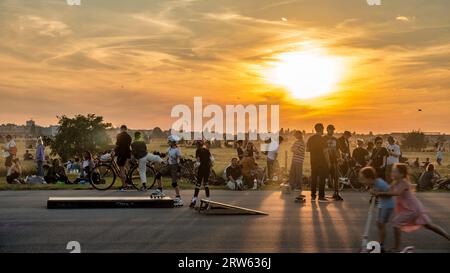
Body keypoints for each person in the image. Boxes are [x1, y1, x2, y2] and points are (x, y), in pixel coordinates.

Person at [373, 163, 449, 252]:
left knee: (396, 223)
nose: (392, 173)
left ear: (401, 174)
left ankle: (396, 248)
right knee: (428, 225)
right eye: (392, 171)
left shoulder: (404, 182)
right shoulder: (396, 181)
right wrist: (377, 190)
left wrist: (381, 193)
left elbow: (397, 193)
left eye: (395, 172)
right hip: (411, 207)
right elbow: (388, 189)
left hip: (412, 208)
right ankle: (448, 236)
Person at [359, 167, 394, 253]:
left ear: (370, 178)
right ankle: (380, 242)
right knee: (379, 223)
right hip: (382, 204)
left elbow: (390, 193)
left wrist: (378, 193)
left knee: (381, 224)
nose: (363, 182)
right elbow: (374, 191)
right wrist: (374, 192)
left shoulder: (380, 183)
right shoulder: (373, 184)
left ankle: (381, 245)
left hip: (388, 205)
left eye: (364, 179)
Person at [307, 123, 329, 202]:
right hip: (322, 161)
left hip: (313, 161)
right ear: (322, 129)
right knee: (322, 179)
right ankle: (321, 197)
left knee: (314, 178)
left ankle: (313, 196)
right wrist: (328, 162)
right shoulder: (322, 139)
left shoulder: (310, 138)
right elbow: (325, 151)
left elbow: (307, 149)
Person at [190, 140, 212, 208]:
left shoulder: (198, 151)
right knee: (206, 184)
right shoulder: (207, 150)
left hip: (201, 169)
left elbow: (198, 162)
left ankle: (194, 200)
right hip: (207, 169)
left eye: (196, 145)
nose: (196, 146)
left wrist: (194, 168)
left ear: (198, 145)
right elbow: (211, 161)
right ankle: (208, 200)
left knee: (198, 184)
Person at [324, 124, 343, 201]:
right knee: (323, 177)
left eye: (333, 129)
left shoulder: (336, 139)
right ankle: (322, 194)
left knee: (336, 177)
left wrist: (340, 158)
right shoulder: (323, 138)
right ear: (327, 130)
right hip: (325, 161)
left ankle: (336, 193)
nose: (332, 131)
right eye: (330, 129)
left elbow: (338, 150)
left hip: (334, 160)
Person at [287, 131, 305, 202]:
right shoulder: (296, 142)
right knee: (292, 173)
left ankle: (298, 186)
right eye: (295, 135)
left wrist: (295, 149)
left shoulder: (302, 143)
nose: (295, 136)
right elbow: (291, 149)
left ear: (300, 135)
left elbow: (301, 151)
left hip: (299, 160)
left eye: (296, 135)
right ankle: (292, 186)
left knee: (298, 174)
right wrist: (295, 149)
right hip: (294, 159)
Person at [114, 125, 132, 191]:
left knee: (121, 170)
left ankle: (124, 186)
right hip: (127, 154)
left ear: (121, 129)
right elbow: (129, 145)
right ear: (126, 129)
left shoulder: (119, 135)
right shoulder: (129, 136)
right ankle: (127, 183)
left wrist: (113, 151)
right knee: (124, 168)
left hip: (121, 154)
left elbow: (117, 145)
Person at [167, 135, 183, 207]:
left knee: (174, 183)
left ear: (173, 142)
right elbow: (168, 157)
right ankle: (159, 190)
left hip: (175, 166)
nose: (168, 142)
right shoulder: (169, 149)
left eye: (169, 141)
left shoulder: (177, 150)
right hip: (169, 165)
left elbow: (180, 160)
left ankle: (179, 198)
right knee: (158, 174)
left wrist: (179, 171)